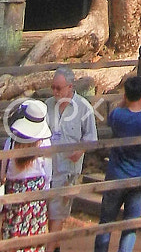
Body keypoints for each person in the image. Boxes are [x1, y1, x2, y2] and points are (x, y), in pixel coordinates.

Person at [94, 75, 141, 252]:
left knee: (106, 222)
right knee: (130, 224)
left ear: (125, 94)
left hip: (115, 173)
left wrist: (125, 101)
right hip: (138, 174)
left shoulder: (117, 115)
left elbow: (114, 115)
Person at [46, 66, 98, 251]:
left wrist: (80, 151)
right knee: (49, 215)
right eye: (53, 87)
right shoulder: (47, 105)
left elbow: (91, 138)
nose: (55, 92)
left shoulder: (84, 108)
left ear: (70, 87)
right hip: (47, 168)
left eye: (58, 88)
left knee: (57, 214)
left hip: (68, 171)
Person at [0, 99, 52, 252]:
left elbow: (4, 167)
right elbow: (48, 170)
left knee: (12, 227)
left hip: (14, 188)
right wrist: (47, 189)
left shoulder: (11, 141)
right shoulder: (43, 143)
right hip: (35, 192)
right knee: (33, 232)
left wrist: (3, 178)